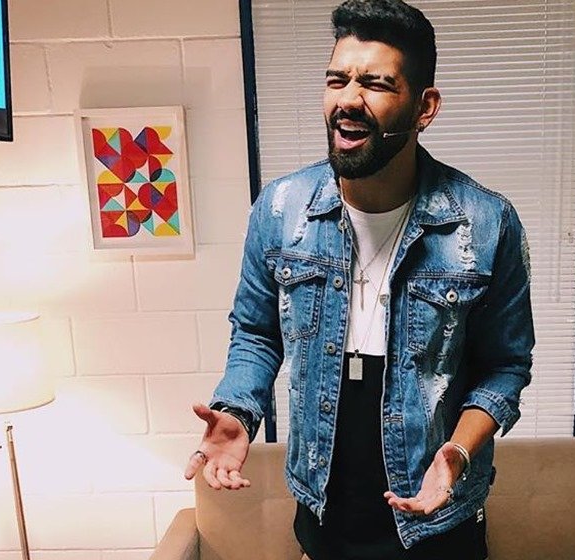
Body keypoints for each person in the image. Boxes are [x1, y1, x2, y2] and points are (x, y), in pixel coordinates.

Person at [184, 1, 535, 558]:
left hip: (439, 523)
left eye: (375, 84)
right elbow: (256, 333)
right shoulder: (281, 209)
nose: (348, 99)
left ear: (425, 107)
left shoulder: (486, 223)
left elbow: (505, 367)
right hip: (323, 516)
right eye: (336, 80)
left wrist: (458, 453)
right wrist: (237, 411)